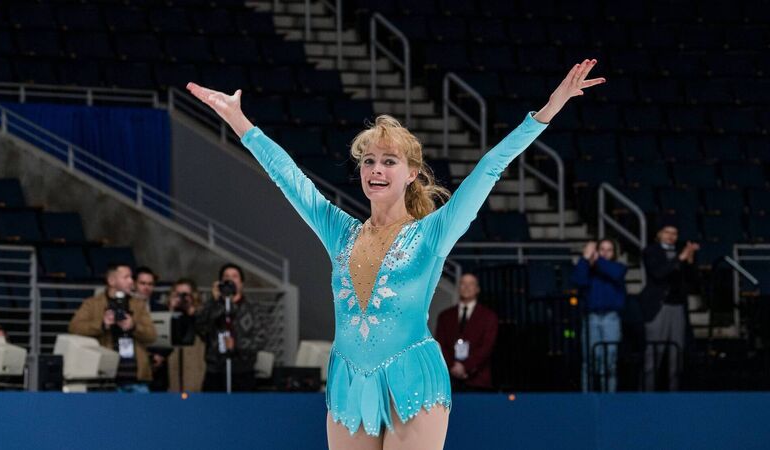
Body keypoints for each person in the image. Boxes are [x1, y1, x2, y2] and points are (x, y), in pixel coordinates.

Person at [187, 57, 604, 449]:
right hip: (349, 379)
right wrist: (239, 120)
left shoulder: (433, 233)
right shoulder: (340, 232)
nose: (376, 169)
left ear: (412, 174)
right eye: (369, 161)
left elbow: (491, 167)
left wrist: (548, 109)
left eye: (389, 161)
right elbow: (288, 178)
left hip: (412, 377)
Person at [68, 263, 157, 393]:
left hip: (136, 378)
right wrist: (102, 324)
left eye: (131, 277)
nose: (131, 281)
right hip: (105, 378)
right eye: (126, 277)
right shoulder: (92, 304)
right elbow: (74, 327)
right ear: (111, 281)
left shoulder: (138, 305)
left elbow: (152, 335)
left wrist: (133, 326)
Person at [640, 219, 699, 391]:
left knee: (676, 356)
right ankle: (646, 396)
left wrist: (689, 260)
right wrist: (679, 259)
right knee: (654, 355)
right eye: (667, 232)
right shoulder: (651, 251)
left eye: (674, 233)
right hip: (659, 308)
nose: (671, 236)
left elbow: (692, 281)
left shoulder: (681, 252)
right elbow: (658, 274)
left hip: (678, 307)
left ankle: (674, 396)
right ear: (659, 234)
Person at [195, 263, 267, 392]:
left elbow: (261, 339)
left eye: (234, 276)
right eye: (226, 277)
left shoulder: (253, 308)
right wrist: (214, 301)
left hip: (242, 371)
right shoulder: (213, 306)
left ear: (241, 283)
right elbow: (201, 328)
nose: (230, 280)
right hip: (215, 371)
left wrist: (237, 344)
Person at [571, 239, 627, 393]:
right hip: (591, 318)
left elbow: (615, 273)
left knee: (610, 361)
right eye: (602, 249)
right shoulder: (587, 269)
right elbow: (577, 280)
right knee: (589, 361)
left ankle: (608, 399)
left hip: (611, 318)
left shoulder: (618, 267)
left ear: (614, 253)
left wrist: (596, 259)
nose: (605, 253)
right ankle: (588, 399)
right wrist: (585, 258)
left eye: (609, 250)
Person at [435, 273, 498, 391]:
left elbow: (486, 347)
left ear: (477, 289)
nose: (467, 287)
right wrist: (453, 366)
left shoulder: (489, 316)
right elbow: (440, 344)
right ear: (458, 288)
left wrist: (465, 367)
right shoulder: (445, 316)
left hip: (478, 380)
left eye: (471, 284)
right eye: (463, 283)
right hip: (449, 380)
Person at [166, 278, 206, 392]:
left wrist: (192, 313)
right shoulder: (169, 315)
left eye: (186, 295)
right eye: (178, 294)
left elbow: (204, 332)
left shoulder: (201, 315)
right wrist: (171, 310)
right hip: (173, 373)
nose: (182, 299)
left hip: (195, 371)